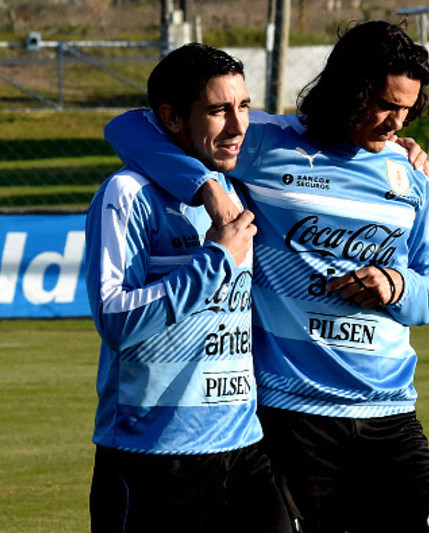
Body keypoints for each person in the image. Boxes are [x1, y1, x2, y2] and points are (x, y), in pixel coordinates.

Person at [105, 21, 429, 533]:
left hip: (392, 414)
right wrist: (207, 184)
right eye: (385, 104)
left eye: (406, 109)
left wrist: (397, 286)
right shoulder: (266, 143)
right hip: (292, 414)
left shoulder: (408, 177)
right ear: (347, 91)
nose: (396, 123)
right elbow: (129, 127)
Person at [84, 43, 292, 532]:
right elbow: (116, 321)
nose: (240, 126)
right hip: (151, 456)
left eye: (243, 106)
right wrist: (214, 260)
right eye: (219, 110)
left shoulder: (236, 190)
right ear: (173, 119)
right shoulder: (126, 195)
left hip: (242, 448)